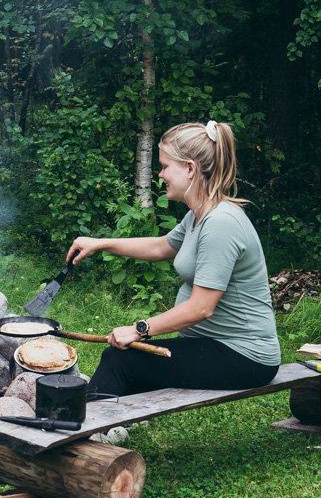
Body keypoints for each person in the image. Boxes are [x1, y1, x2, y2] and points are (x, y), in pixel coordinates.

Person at [68, 120, 280, 397]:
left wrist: (139, 329)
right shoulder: (198, 215)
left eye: (166, 166)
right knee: (128, 363)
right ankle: (103, 423)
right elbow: (160, 247)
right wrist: (101, 244)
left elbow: (201, 309)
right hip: (214, 344)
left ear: (190, 169)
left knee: (118, 359)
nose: (161, 174)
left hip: (245, 355)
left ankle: (80, 432)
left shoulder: (221, 223)